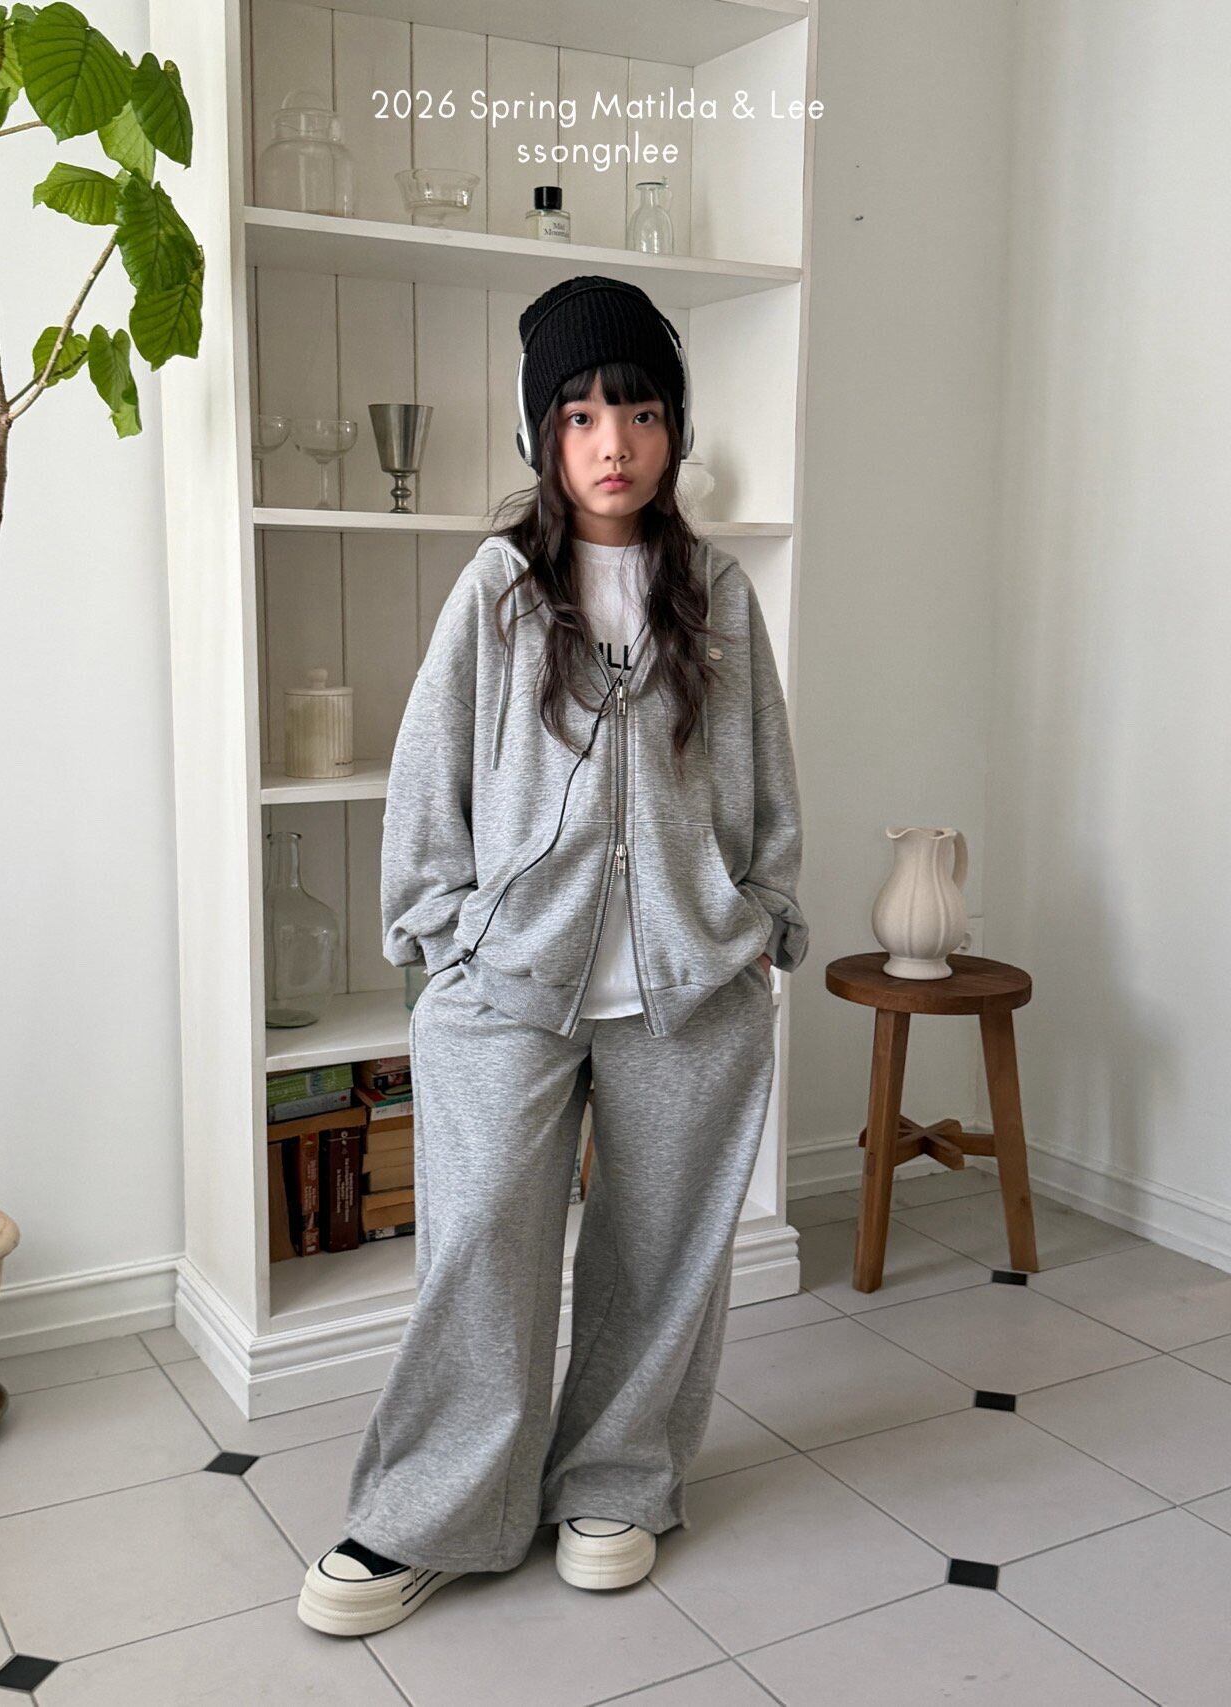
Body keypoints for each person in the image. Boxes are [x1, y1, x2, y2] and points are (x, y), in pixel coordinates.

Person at [297, 275, 808, 1638]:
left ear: (673, 428)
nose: (612, 442)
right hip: (507, 983)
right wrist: (443, 934)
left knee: (662, 1255)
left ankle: (617, 1480)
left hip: (689, 990)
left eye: (638, 411)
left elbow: (764, 781)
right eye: (578, 415)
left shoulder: (717, 592)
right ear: (542, 436)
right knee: (479, 1250)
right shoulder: (499, 590)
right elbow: (429, 775)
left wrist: (760, 918)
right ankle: (433, 1512)